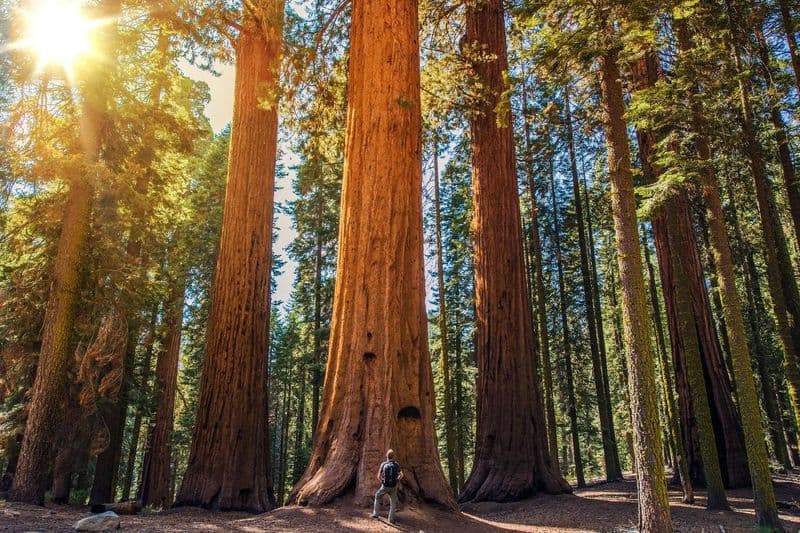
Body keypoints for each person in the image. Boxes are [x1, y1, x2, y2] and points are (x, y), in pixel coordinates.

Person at [371, 449, 404, 524]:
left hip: (385, 486)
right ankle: (391, 519)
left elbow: (378, 476)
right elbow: (401, 475)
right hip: (393, 486)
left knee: (377, 496)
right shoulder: (396, 464)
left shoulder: (383, 464)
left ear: (387, 456)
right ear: (393, 456)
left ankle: (375, 515)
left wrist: (383, 481)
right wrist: (397, 480)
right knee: (393, 502)